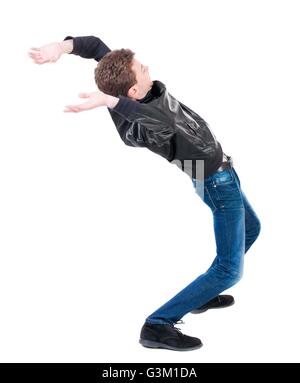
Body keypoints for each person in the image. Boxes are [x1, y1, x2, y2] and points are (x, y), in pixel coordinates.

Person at [28, 35, 261, 352]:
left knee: (252, 227)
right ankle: (158, 325)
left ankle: (201, 293)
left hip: (217, 176)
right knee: (229, 271)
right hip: (217, 184)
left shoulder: (129, 87)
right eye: (141, 68)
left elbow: (97, 47)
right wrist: (111, 103)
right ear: (133, 93)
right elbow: (159, 121)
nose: (147, 66)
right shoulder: (148, 123)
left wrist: (62, 46)